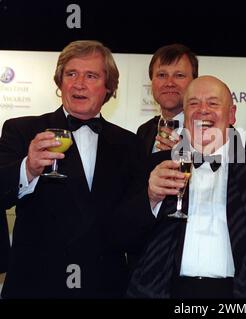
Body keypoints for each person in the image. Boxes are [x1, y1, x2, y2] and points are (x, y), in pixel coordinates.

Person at [0, 40, 153, 298]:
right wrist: (28, 168)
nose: (79, 83)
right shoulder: (22, 130)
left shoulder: (131, 144)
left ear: (108, 87)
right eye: (71, 74)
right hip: (36, 285)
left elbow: (134, 222)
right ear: (60, 83)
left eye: (91, 75)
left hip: (105, 285)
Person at [127, 75, 246, 298]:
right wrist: (151, 197)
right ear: (185, 115)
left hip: (241, 295)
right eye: (193, 103)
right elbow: (121, 234)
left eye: (213, 103)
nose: (203, 110)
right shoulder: (156, 164)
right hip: (165, 291)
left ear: (231, 114)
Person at [136, 44, 198, 156]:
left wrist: (186, 161)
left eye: (179, 75)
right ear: (151, 82)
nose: (169, 83)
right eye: (162, 75)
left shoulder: (216, 131)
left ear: (194, 82)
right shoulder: (144, 131)